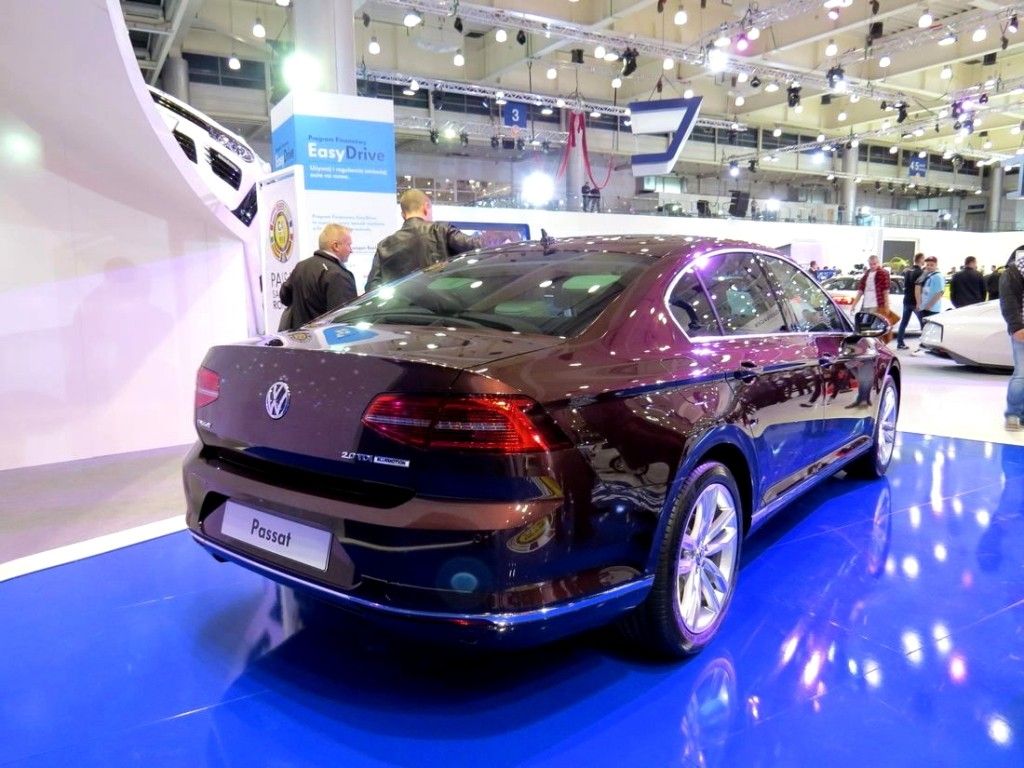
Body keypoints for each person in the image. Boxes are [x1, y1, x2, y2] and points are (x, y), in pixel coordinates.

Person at [365, 189, 480, 291]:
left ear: (403, 215)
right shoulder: (441, 231)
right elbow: (478, 248)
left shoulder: (384, 246)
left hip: (401, 307)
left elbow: (371, 287)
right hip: (440, 306)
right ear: (426, 207)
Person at [278, 224, 356, 332]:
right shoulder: (338, 275)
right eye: (349, 245)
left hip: (297, 337)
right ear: (336, 246)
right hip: (323, 340)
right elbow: (345, 321)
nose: (351, 250)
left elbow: (284, 297)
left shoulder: (301, 266)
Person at [999, 250, 1024, 431]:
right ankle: (1013, 414)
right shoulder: (1014, 272)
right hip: (1022, 329)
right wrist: (1016, 326)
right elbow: (1008, 301)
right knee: (1021, 374)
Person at [911, 255, 945, 354]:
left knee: (928, 329)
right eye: (928, 264)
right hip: (925, 306)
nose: (929, 266)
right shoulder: (929, 275)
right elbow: (919, 286)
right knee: (925, 329)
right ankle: (925, 347)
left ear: (936, 265)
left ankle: (924, 348)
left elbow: (940, 292)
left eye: (931, 265)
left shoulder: (938, 277)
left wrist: (930, 305)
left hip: (931, 308)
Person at [896, 252, 924, 350]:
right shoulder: (920, 272)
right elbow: (918, 288)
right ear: (920, 259)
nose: (924, 261)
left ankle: (900, 343)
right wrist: (919, 302)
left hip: (907, 300)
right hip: (915, 301)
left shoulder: (908, 271)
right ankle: (924, 344)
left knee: (904, 322)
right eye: (923, 259)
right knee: (923, 323)